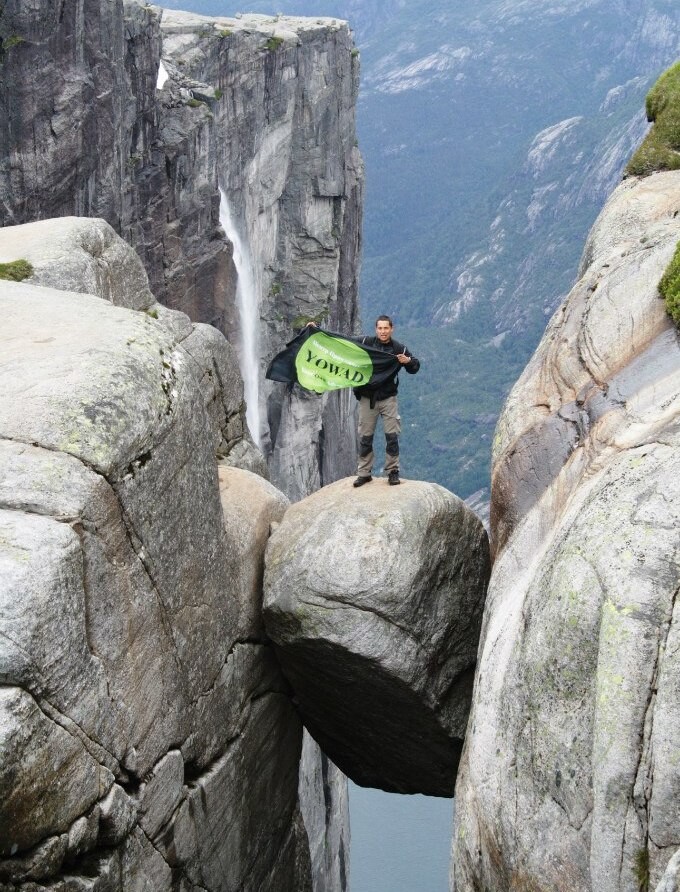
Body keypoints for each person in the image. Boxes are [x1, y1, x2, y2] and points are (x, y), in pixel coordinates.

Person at [352, 315, 420, 487]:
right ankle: (364, 473)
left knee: (392, 437)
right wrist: (317, 329)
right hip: (368, 399)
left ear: (391, 329)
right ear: (376, 329)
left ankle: (393, 471)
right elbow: (343, 342)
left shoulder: (398, 348)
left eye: (386, 328)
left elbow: (415, 367)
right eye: (380, 328)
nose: (383, 331)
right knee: (365, 438)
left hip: (388, 398)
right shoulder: (366, 342)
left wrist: (408, 361)